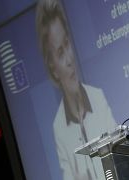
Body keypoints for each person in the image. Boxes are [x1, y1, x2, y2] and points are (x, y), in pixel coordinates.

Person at [35, 0, 118, 179]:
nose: (69, 59)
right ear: (52, 66)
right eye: (59, 52)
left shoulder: (98, 97)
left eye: (67, 44)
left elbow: (121, 154)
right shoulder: (59, 127)